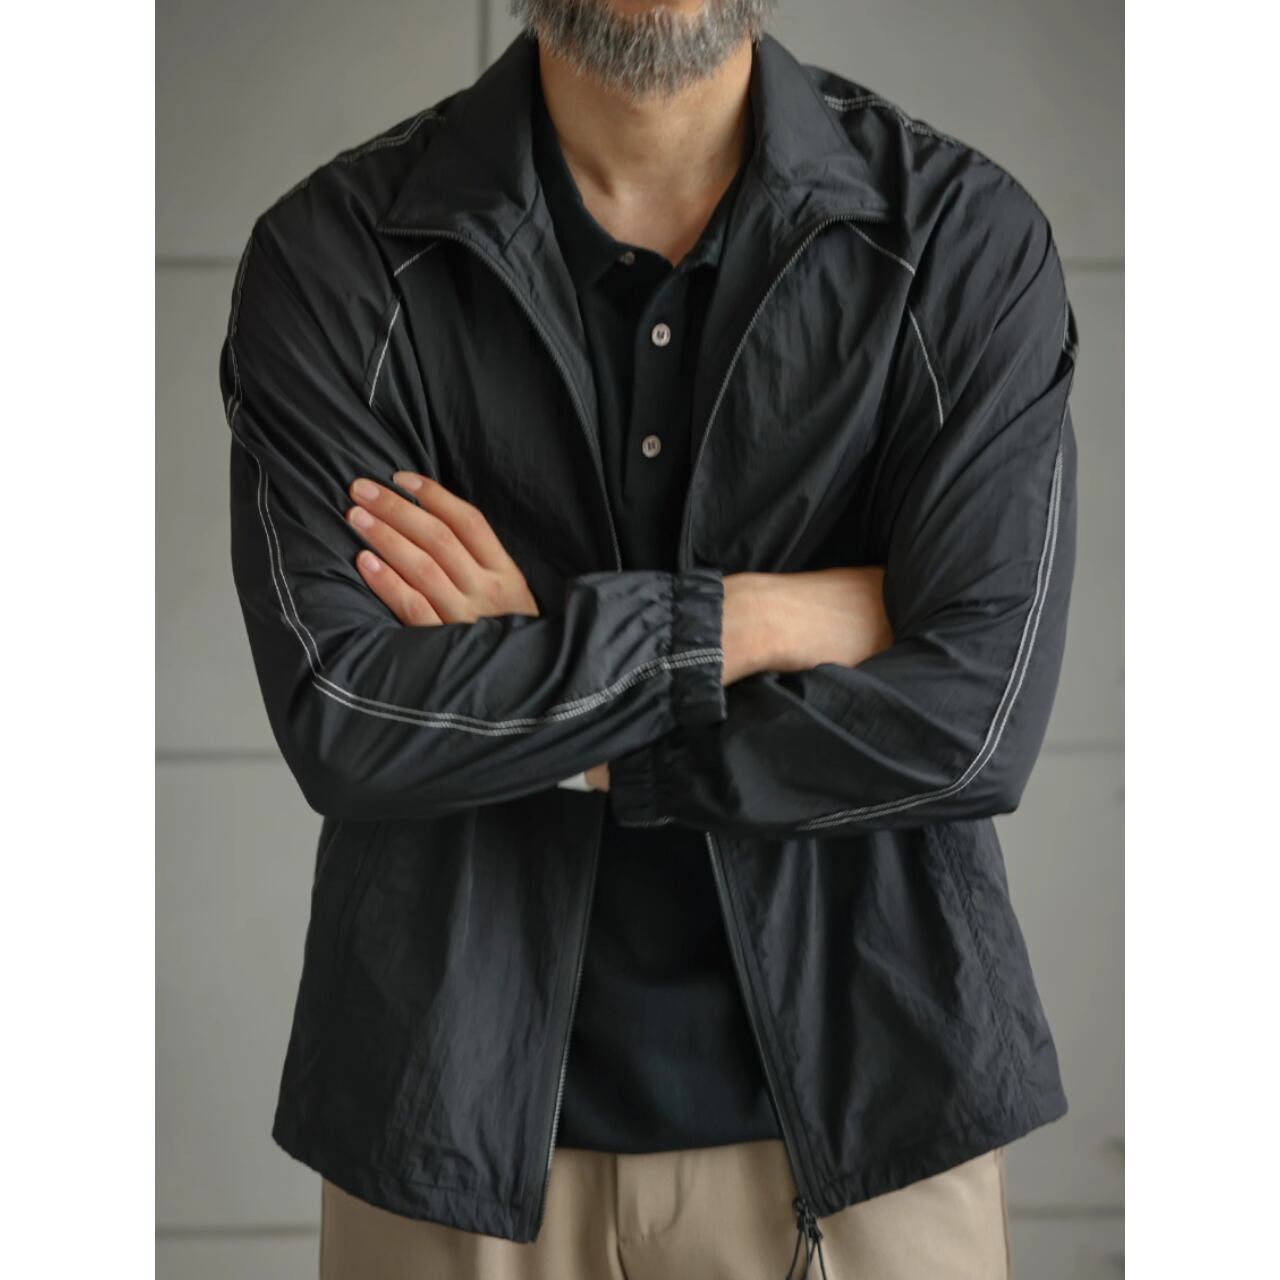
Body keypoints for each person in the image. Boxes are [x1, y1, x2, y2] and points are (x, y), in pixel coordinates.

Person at [219, 1, 1079, 1275]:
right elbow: (350, 714)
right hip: (441, 1133)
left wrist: (557, 688)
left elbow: (973, 724)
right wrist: (758, 619)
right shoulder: (335, 256)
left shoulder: (957, 238)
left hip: (876, 1129)